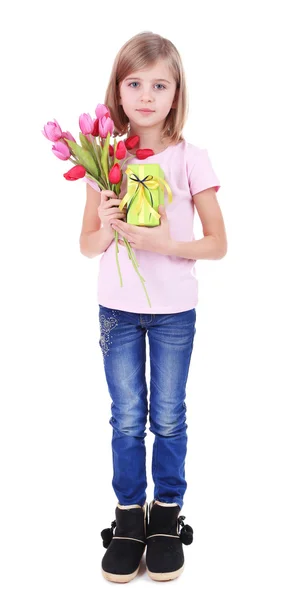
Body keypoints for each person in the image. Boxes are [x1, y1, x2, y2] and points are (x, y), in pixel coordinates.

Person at [79, 31, 227, 583]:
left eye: (159, 84)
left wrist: (165, 244)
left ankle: (165, 515)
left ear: (175, 92)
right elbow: (86, 243)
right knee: (125, 418)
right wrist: (110, 224)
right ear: (118, 91)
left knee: (167, 415)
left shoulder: (191, 158)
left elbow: (218, 243)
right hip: (116, 309)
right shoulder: (105, 157)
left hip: (173, 312)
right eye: (134, 83)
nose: (146, 95)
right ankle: (127, 516)